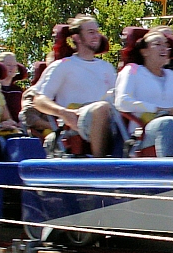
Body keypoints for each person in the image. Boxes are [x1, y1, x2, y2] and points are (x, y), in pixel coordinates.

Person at [32, 15, 119, 157]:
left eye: (97, 32)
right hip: (77, 120)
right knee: (101, 108)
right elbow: (39, 100)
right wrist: (63, 113)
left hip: (110, 117)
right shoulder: (63, 66)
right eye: (91, 32)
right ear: (77, 37)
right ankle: (100, 164)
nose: (96, 36)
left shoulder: (107, 67)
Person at [115, 30, 173, 157]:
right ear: (144, 51)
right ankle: (171, 169)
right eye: (158, 44)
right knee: (168, 123)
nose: (164, 48)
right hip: (146, 130)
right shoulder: (132, 70)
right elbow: (122, 102)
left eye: (166, 45)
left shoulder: (172, 75)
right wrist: (158, 109)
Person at [0, 51, 28, 121]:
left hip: (18, 127)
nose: (12, 68)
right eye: (8, 65)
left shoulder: (18, 91)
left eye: (14, 65)